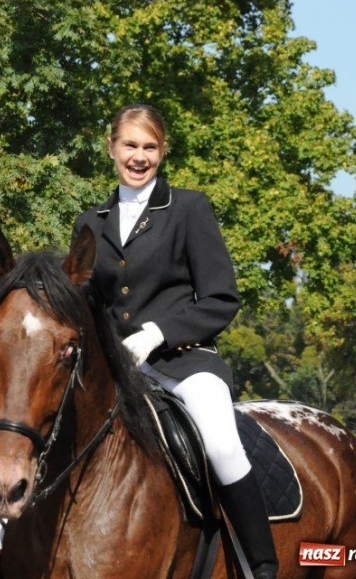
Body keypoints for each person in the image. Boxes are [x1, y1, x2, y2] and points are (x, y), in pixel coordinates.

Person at [72, 104, 278, 579]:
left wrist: (159, 332)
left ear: (162, 152)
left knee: (222, 445)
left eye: (149, 147)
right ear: (111, 148)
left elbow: (221, 299)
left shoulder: (188, 208)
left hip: (183, 361)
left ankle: (262, 565)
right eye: (130, 145)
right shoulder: (91, 221)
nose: (138, 157)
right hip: (117, 369)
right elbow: (84, 301)